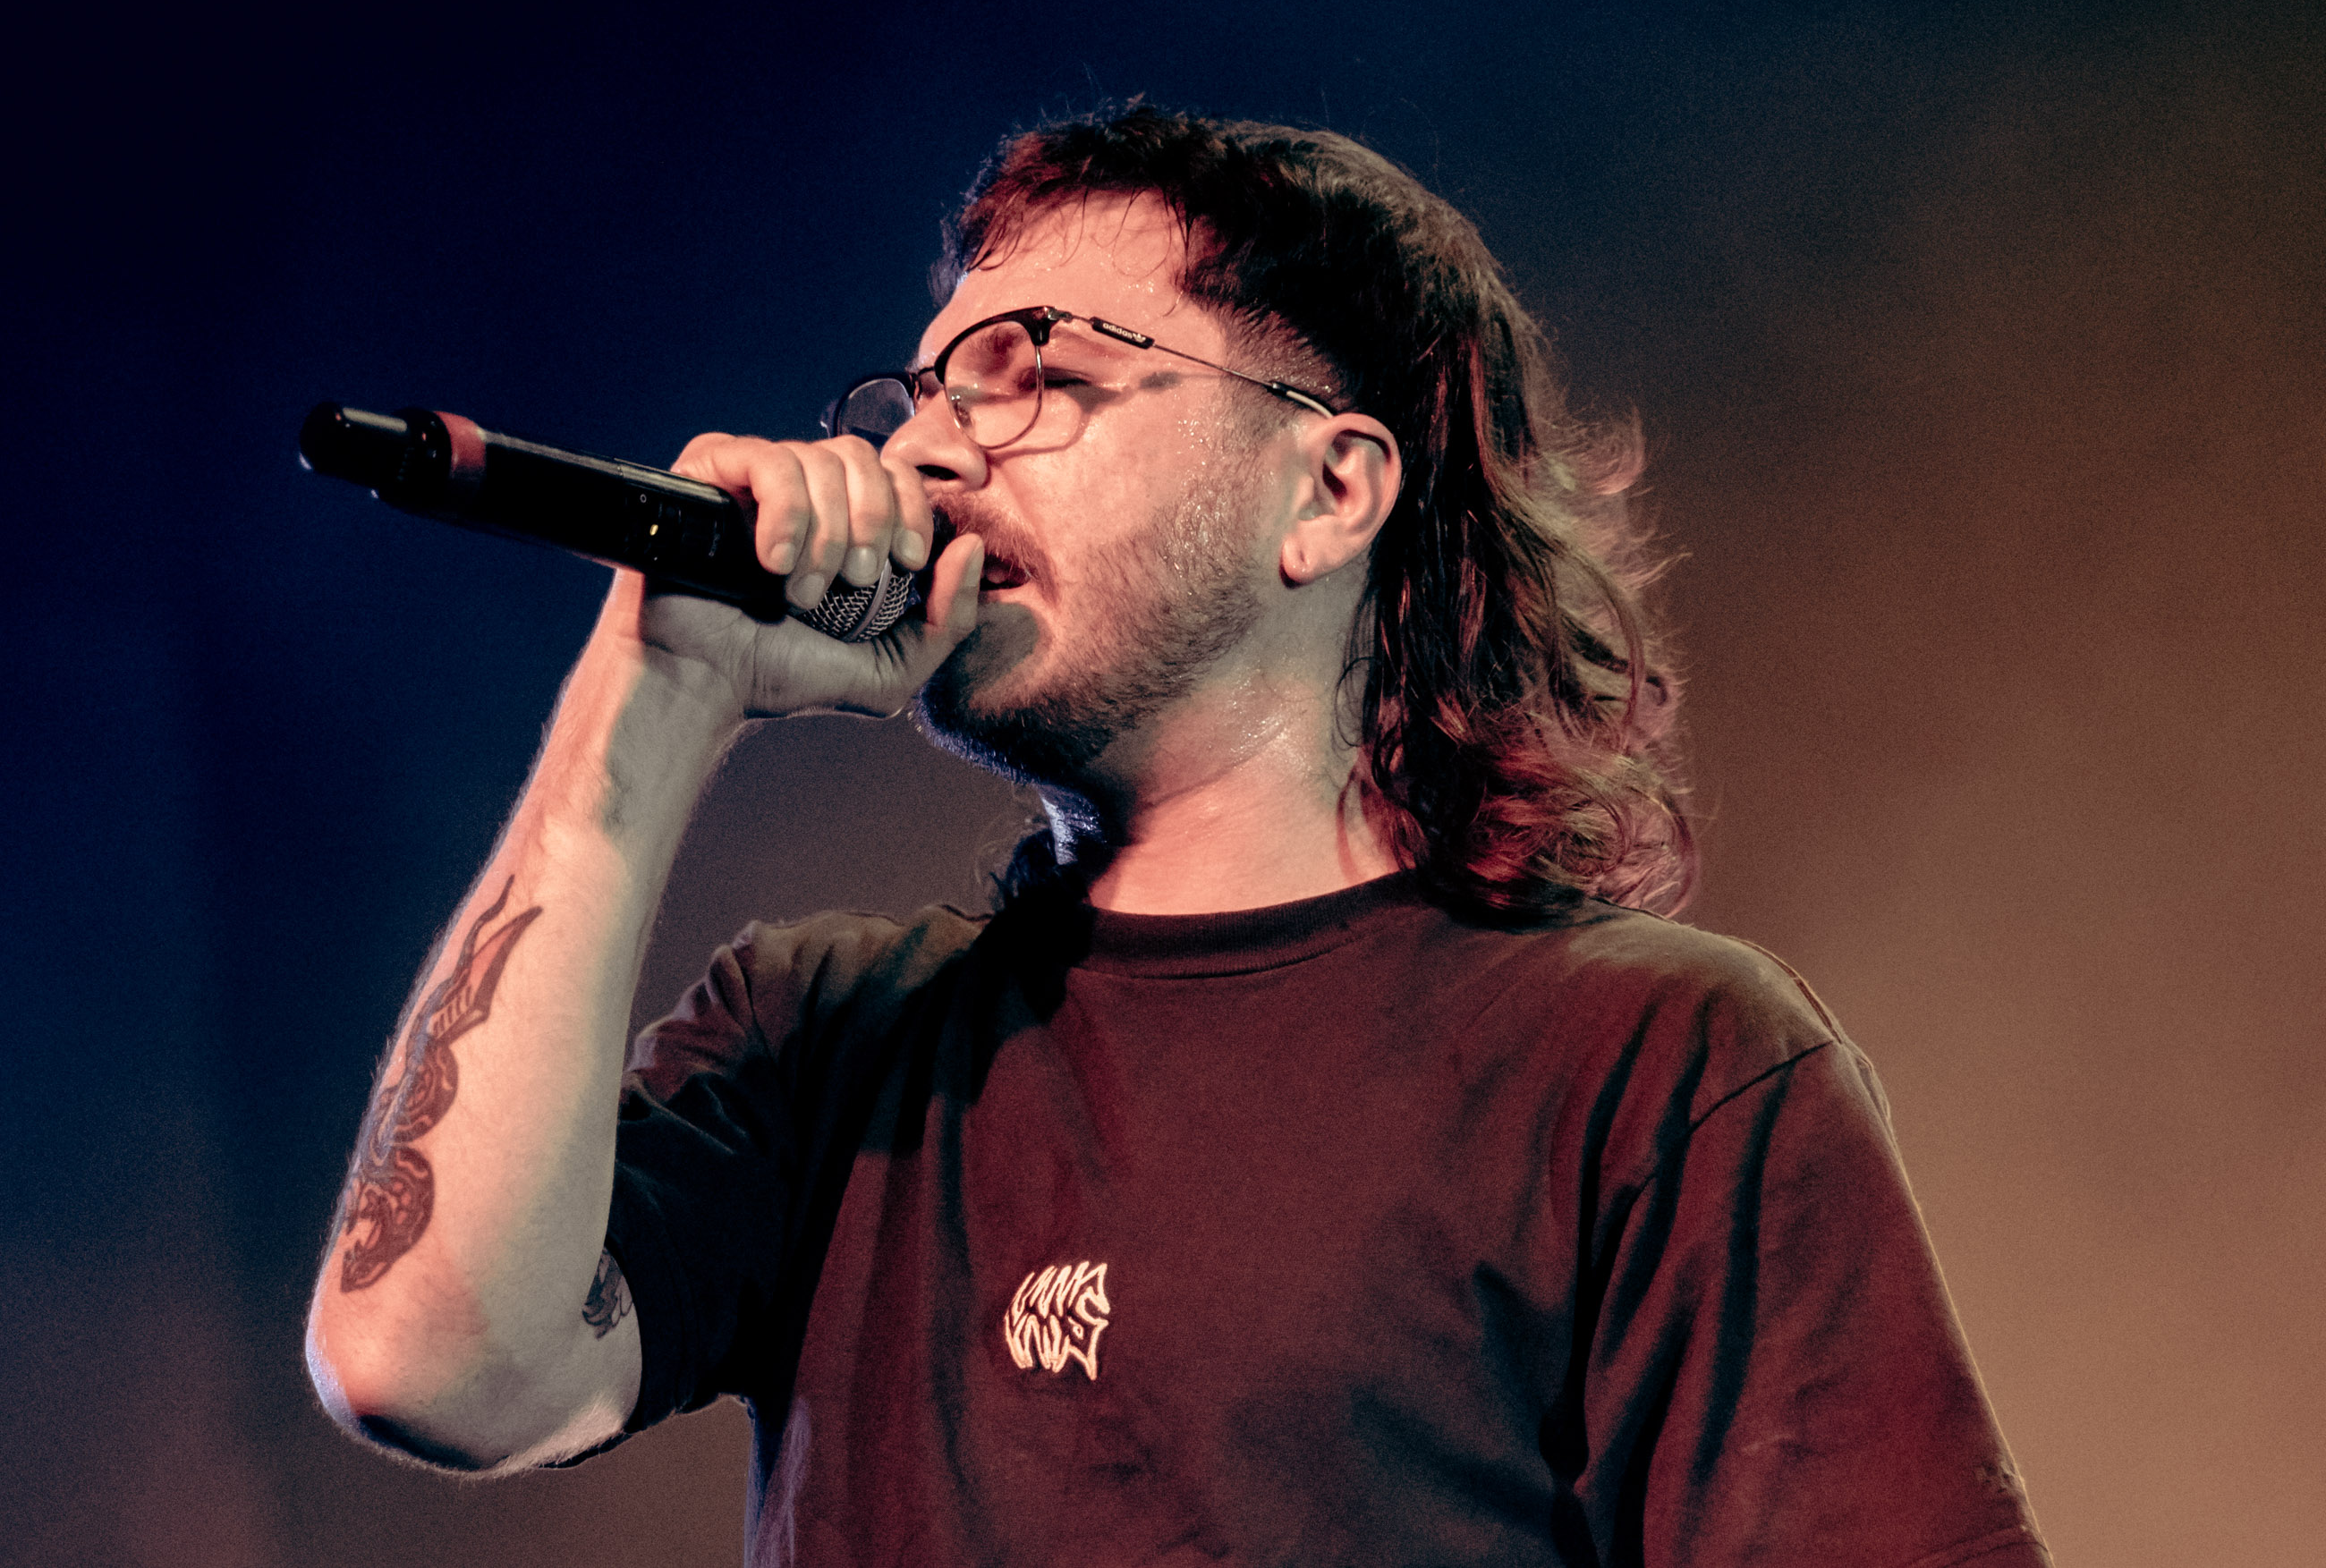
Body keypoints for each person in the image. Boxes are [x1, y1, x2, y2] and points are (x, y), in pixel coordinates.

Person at [305, 107, 2050, 1565]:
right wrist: (659, 684)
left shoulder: (1653, 1064)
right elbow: (427, 1361)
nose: (930, 453)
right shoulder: (830, 1040)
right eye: (923, 394)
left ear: (1328, 490)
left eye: (1032, 373)